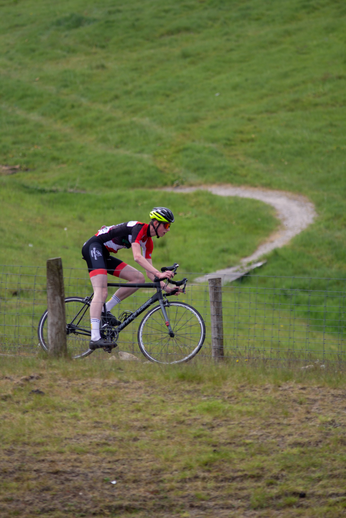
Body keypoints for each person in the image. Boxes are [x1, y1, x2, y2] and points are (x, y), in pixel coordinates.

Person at [82, 207, 179, 349]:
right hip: (93, 247)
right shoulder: (138, 228)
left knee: (138, 278)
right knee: (101, 291)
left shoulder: (148, 242)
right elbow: (137, 257)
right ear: (156, 223)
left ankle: (105, 309)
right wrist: (159, 273)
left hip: (104, 253)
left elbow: (150, 274)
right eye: (167, 225)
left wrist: (168, 288)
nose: (168, 229)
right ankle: (95, 338)